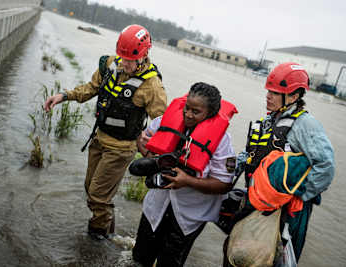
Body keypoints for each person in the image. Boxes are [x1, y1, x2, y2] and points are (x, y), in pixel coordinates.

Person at [43, 24, 167, 239]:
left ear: (144, 55)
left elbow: (162, 124)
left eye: (130, 60)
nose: (125, 63)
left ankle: (97, 236)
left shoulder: (152, 86)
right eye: (123, 57)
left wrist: (153, 150)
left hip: (121, 149)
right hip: (99, 139)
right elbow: (90, 89)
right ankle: (108, 227)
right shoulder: (110, 65)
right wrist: (63, 96)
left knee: (98, 196)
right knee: (90, 188)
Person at [223, 62, 335, 266]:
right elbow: (251, 154)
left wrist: (300, 195)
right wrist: (226, 168)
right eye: (269, 91)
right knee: (238, 256)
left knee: (274, 259)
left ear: (293, 96)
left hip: (285, 210)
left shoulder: (305, 125)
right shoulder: (267, 121)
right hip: (256, 200)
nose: (268, 96)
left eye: (275, 92)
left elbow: (326, 167)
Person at [132, 82, 238, 267]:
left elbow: (224, 185)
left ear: (210, 113)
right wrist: (148, 153)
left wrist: (187, 181)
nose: (188, 114)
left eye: (195, 112)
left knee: (170, 263)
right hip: (155, 207)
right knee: (140, 259)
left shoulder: (222, 142)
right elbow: (143, 140)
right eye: (187, 108)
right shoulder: (165, 121)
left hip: (188, 216)